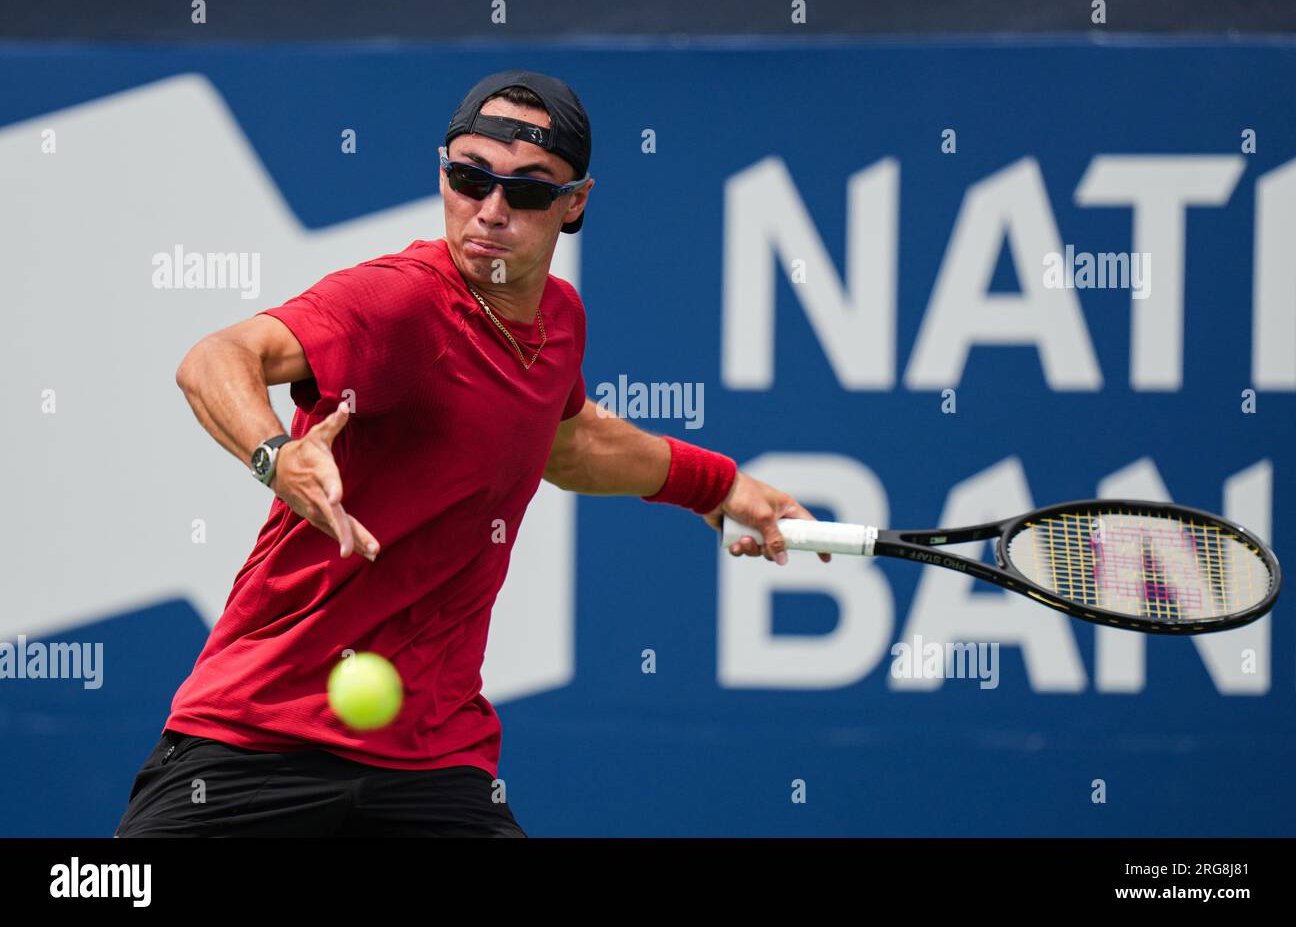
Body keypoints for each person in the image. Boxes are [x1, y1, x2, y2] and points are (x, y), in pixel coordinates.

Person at [114, 69, 829, 837]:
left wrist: (715, 489)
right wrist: (275, 457)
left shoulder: (558, 319)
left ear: (575, 202)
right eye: (469, 177)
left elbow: (569, 440)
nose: (491, 211)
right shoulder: (398, 303)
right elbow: (216, 358)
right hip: (254, 738)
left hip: (432, 759)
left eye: (527, 191)